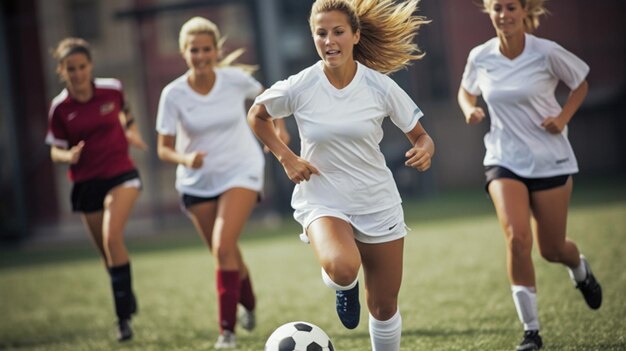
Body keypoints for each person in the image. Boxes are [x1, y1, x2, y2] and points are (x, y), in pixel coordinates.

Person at [248, 1, 433, 350]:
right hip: (323, 198)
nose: (329, 40)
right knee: (344, 267)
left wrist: (425, 150)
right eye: (321, 33)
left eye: (338, 32)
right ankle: (341, 282)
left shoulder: (380, 87)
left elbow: (421, 136)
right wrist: (286, 158)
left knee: (383, 306)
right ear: (313, 38)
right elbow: (257, 115)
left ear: (355, 35)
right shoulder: (300, 85)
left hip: (377, 201)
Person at [457, 0, 602, 350]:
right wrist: (469, 109)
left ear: (524, 12)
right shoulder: (480, 55)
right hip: (503, 159)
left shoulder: (547, 52)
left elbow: (580, 82)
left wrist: (563, 118)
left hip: (549, 159)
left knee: (552, 249)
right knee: (518, 240)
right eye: (496, 8)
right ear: (489, 13)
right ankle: (531, 332)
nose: (503, 15)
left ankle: (579, 269)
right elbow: (466, 90)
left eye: (510, 8)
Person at [155, 17, 288, 349]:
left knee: (222, 246)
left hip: (241, 170)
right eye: (193, 50)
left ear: (216, 51)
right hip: (196, 181)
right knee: (225, 251)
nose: (200, 55)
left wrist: (280, 130)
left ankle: (226, 332)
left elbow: (270, 100)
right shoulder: (172, 94)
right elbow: (163, 149)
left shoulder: (234, 80)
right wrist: (186, 160)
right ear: (183, 52)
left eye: (206, 49)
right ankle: (250, 301)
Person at [46, 37, 147, 342]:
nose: (78, 73)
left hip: (121, 174)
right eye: (71, 69)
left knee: (111, 236)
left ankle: (123, 320)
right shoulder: (59, 108)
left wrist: (131, 131)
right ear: (62, 71)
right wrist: (69, 156)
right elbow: (55, 150)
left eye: (82, 67)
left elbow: (125, 112)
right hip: (86, 182)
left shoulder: (112, 89)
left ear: (90, 66)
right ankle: (125, 293)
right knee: (106, 254)